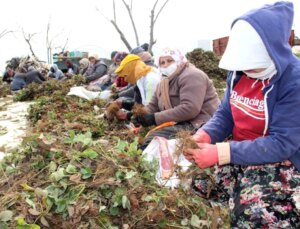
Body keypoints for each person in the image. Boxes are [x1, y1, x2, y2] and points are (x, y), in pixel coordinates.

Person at [183, 2, 300, 228]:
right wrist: (206, 135)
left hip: (282, 157)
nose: (246, 72)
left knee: (251, 214)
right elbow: (226, 113)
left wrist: (221, 152)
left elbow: (282, 143)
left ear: (272, 53)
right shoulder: (238, 73)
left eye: (252, 67)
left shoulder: (293, 81)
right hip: (241, 147)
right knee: (198, 184)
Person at [136, 48, 219, 149]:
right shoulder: (164, 82)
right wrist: (140, 115)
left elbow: (189, 108)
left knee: (152, 142)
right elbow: (153, 105)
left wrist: (154, 118)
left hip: (200, 123)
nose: (166, 65)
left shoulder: (192, 75)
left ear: (179, 59)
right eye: (162, 62)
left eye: (170, 60)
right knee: (148, 139)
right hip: (181, 122)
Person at [113, 54, 161, 120]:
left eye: (126, 76)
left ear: (131, 70)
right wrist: (123, 103)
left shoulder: (150, 79)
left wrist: (128, 115)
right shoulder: (140, 78)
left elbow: (150, 107)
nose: (125, 79)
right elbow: (140, 103)